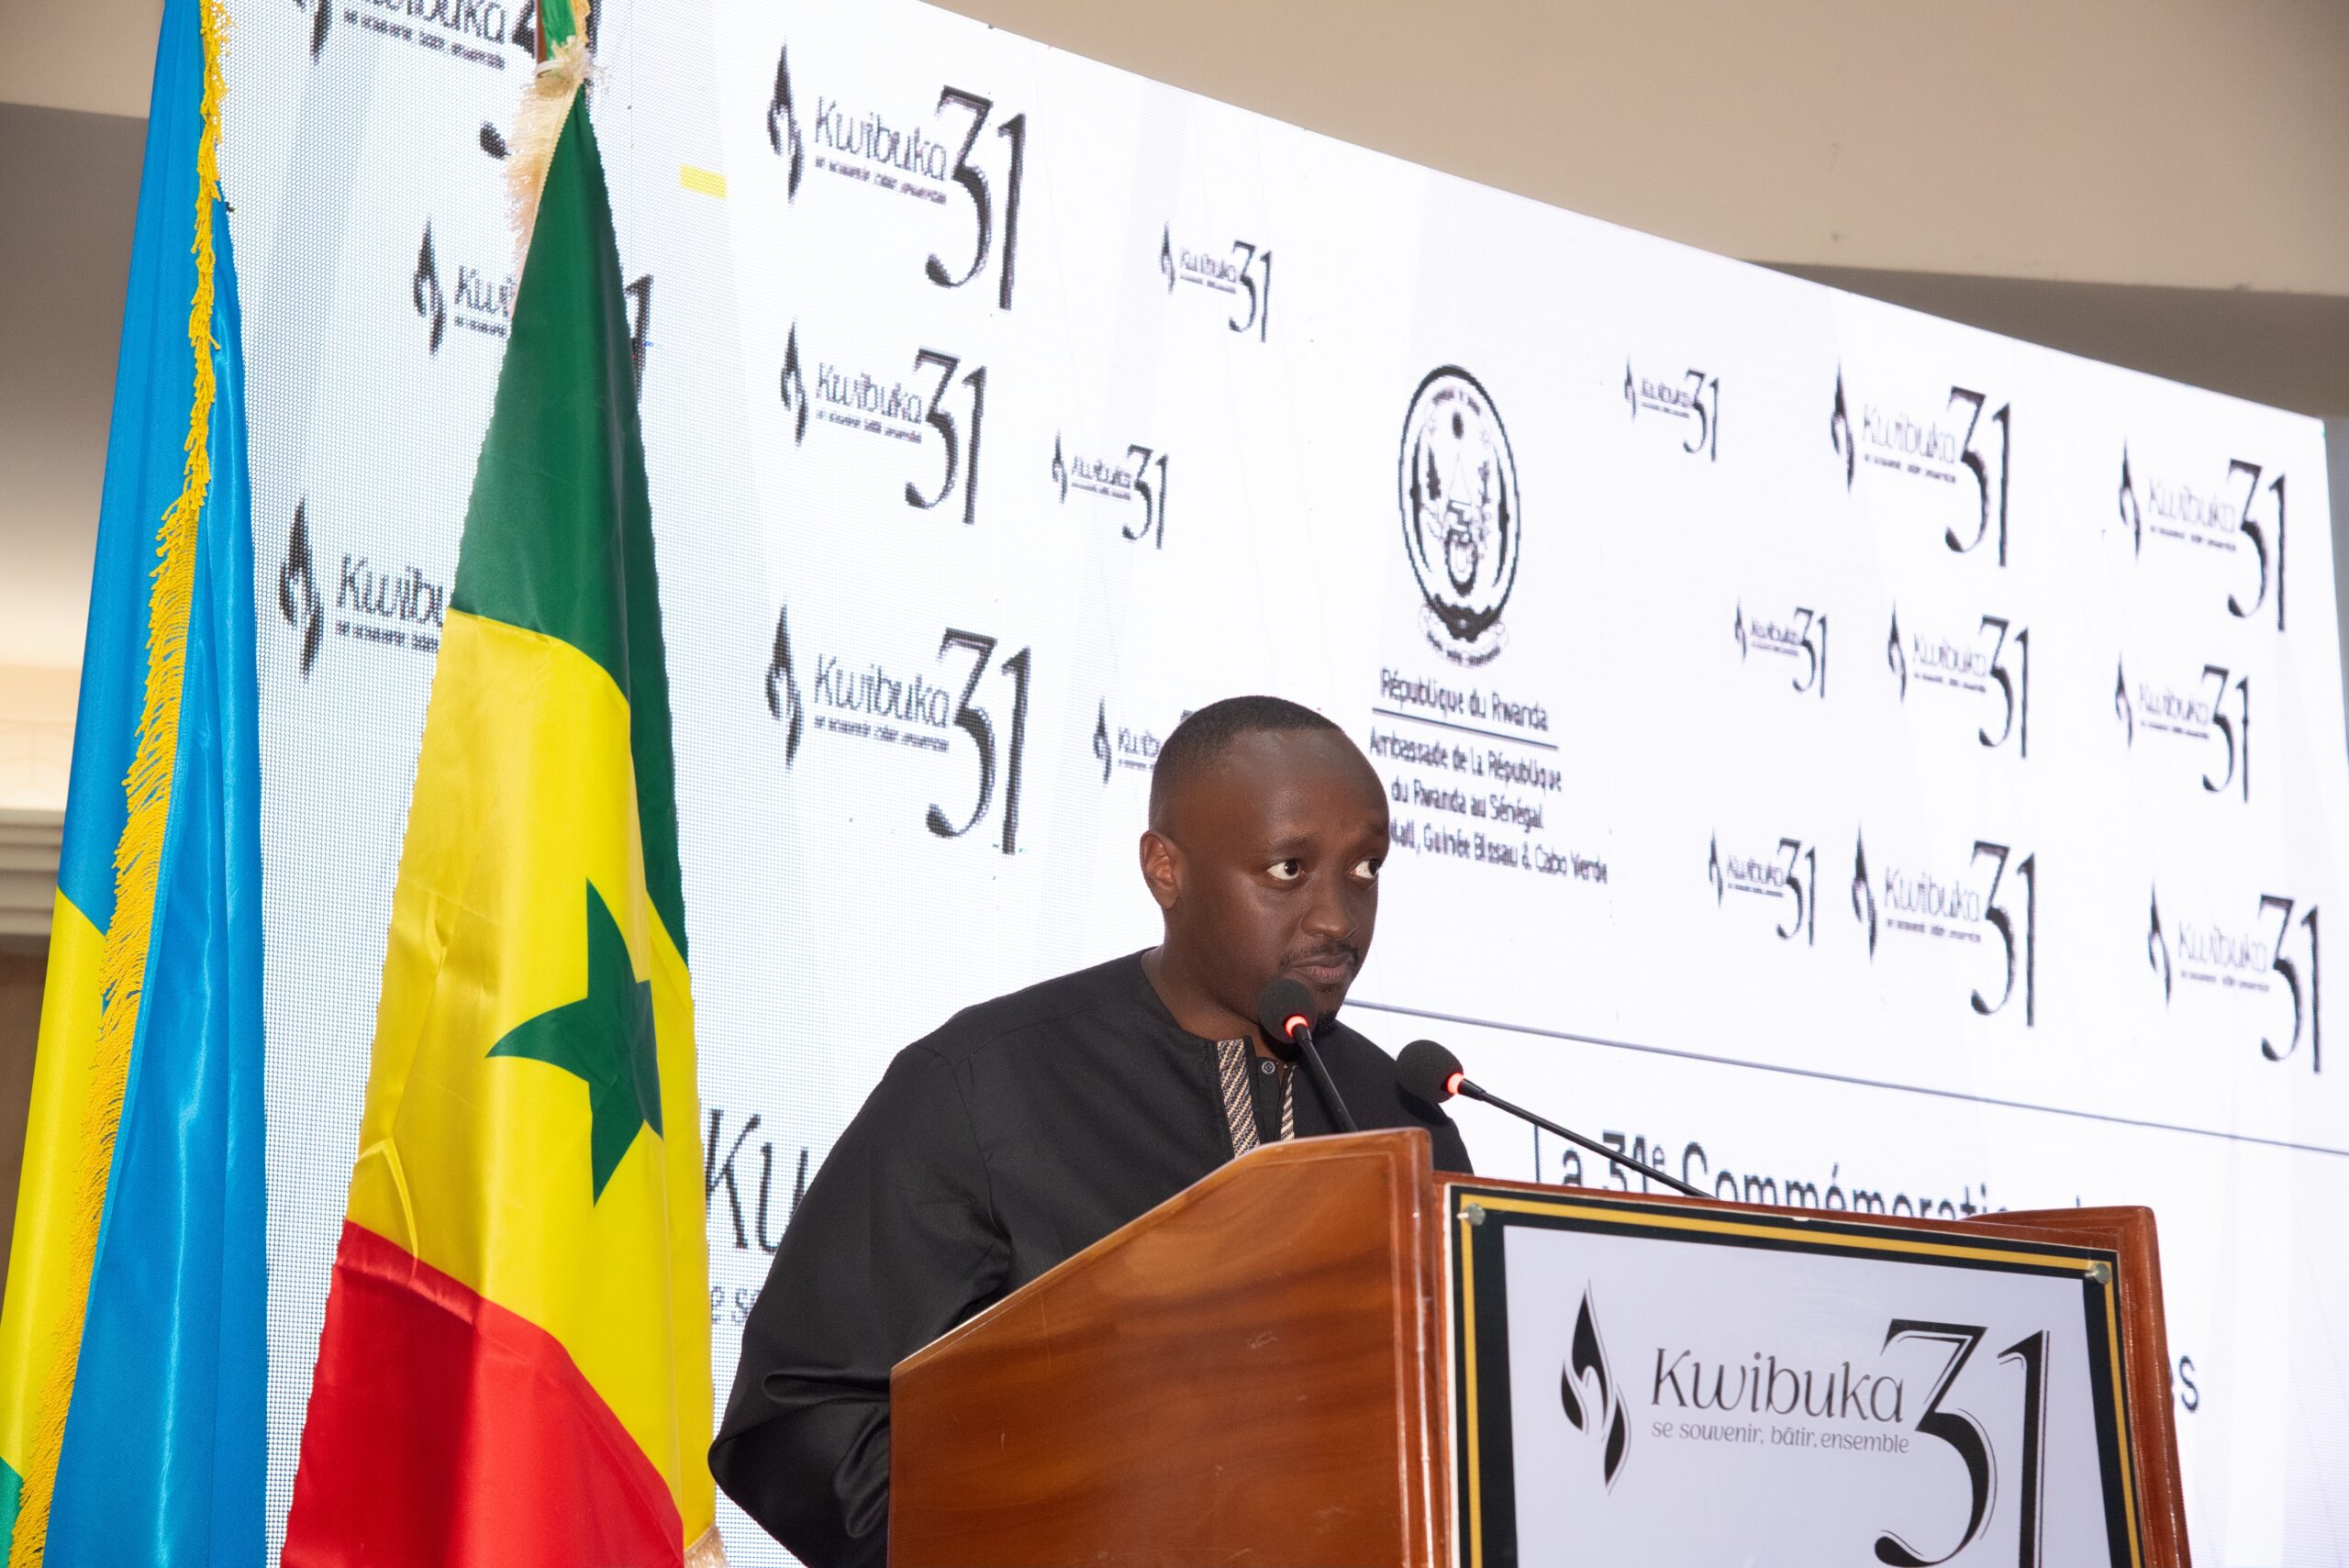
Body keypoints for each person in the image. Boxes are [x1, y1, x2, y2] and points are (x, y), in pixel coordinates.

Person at [709, 695, 1472, 1565]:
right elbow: (801, 1411)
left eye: (1365, 868)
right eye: (1289, 869)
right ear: (1165, 870)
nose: (1337, 915)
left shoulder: (1403, 1115)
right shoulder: (985, 1085)